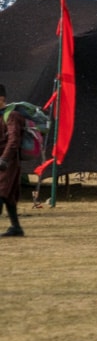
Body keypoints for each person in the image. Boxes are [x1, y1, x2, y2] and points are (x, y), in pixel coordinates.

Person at [0, 84, 25, 237]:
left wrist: (4, 158)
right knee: (8, 195)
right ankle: (16, 227)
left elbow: (14, 140)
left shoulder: (12, 115)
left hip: (7, 162)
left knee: (1, 192)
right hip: (3, 161)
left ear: (1, 98)